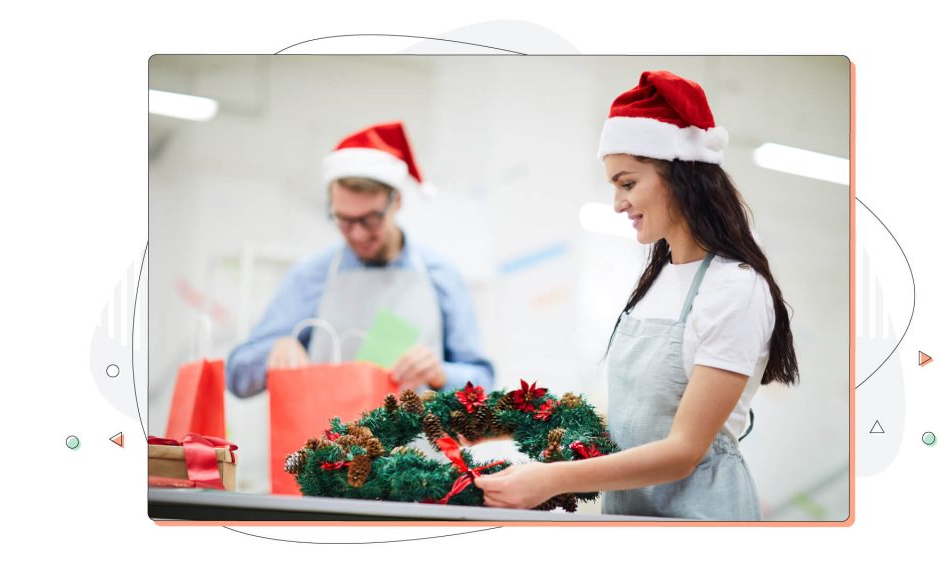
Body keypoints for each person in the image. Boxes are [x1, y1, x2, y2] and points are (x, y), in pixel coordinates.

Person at [475, 71, 799, 520]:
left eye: (627, 184)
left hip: (700, 517)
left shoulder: (735, 287)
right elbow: (636, 424)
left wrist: (549, 479)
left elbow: (683, 451)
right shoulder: (657, 280)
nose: (618, 203)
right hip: (632, 510)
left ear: (682, 176)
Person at [226, 122, 494, 398]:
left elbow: (484, 383)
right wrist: (274, 352)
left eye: (370, 219)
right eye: (344, 220)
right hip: (323, 439)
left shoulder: (441, 275)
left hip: (414, 441)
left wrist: (442, 374)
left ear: (397, 201)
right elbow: (236, 376)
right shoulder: (310, 276)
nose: (357, 233)